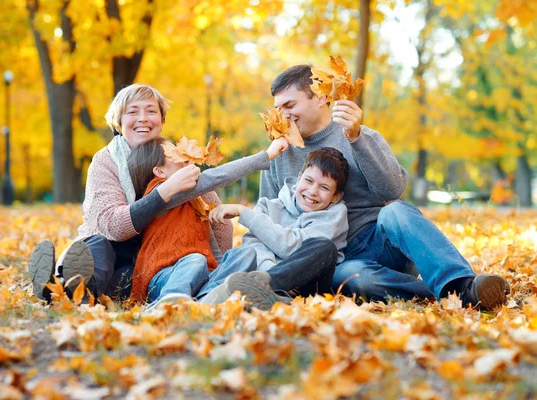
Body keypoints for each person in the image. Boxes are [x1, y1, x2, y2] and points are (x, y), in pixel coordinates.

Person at [258, 65, 508, 310]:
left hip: (381, 241)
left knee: (395, 211)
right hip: (334, 260)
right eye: (278, 108)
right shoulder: (279, 154)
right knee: (355, 278)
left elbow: (392, 190)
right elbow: (268, 218)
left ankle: (463, 283)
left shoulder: (361, 135)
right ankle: (454, 293)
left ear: (321, 97)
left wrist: (356, 139)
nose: (283, 115)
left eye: (290, 106)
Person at [29, 84, 230, 301]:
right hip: (108, 246)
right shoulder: (105, 161)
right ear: (119, 122)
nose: (143, 118)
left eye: (151, 111)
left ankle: (61, 291)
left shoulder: (175, 160)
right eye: (132, 111)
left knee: (129, 278)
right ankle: (63, 284)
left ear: (162, 122)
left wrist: (223, 259)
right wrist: (167, 189)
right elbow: (114, 227)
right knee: (98, 250)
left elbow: (214, 215)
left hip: (146, 258)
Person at [126, 136, 288, 308]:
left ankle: (205, 299)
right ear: (160, 172)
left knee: (245, 254)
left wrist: (223, 267)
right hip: (163, 278)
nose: (183, 155)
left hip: (202, 274)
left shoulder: (196, 201)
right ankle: (166, 305)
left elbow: (211, 249)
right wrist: (267, 155)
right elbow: (217, 177)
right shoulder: (161, 193)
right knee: (196, 260)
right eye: (174, 153)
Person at [198, 147, 350, 310]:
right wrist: (271, 272)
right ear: (299, 178)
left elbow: (293, 248)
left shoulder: (335, 216)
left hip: (309, 288)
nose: (313, 191)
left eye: (324, 188)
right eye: (308, 181)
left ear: (335, 196)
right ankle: (267, 295)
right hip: (269, 284)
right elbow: (254, 246)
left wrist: (243, 212)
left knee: (325, 247)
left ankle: (263, 287)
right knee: (244, 254)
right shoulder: (268, 206)